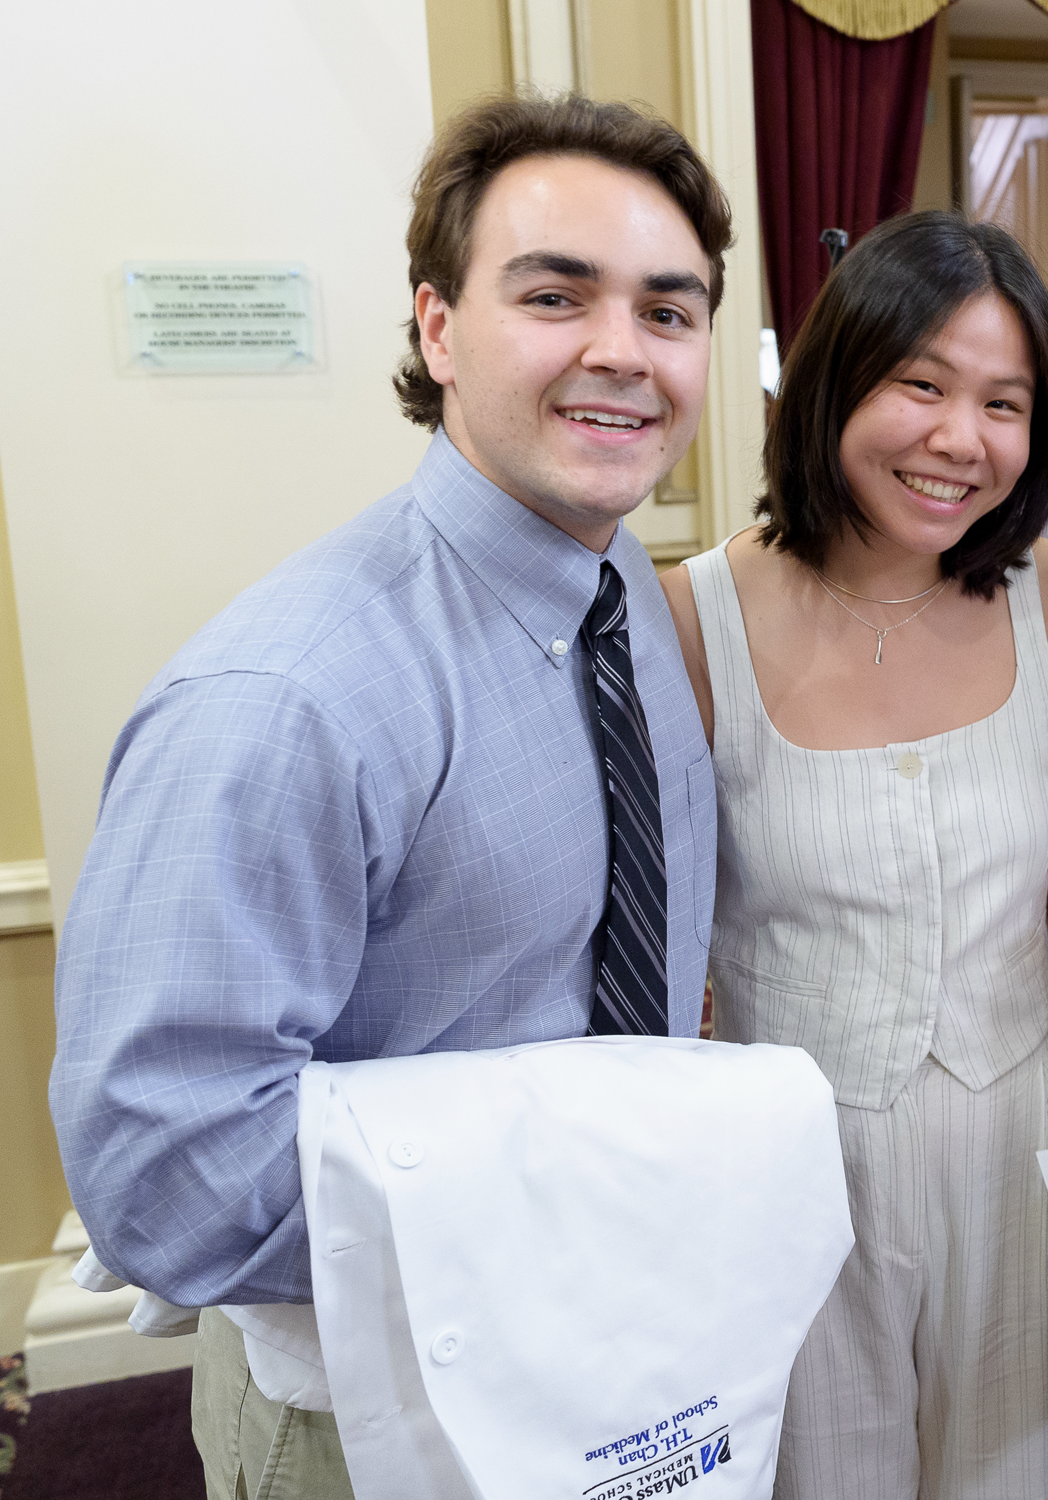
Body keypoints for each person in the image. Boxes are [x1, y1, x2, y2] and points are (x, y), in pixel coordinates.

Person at [50, 95, 731, 1499]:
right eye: (555, 296)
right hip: (379, 1407)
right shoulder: (286, 699)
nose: (622, 351)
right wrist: (547, 1196)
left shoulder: (625, 602)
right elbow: (165, 1175)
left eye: (670, 312)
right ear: (435, 327)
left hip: (621, 1345)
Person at [660, 211, 1048, 1500]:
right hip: (791, 1164)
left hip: (1021, 1146)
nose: (962, 439)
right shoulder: (694, 616)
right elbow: (658, 939)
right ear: (834, 379)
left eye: (1005, 403)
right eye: (921, 383)